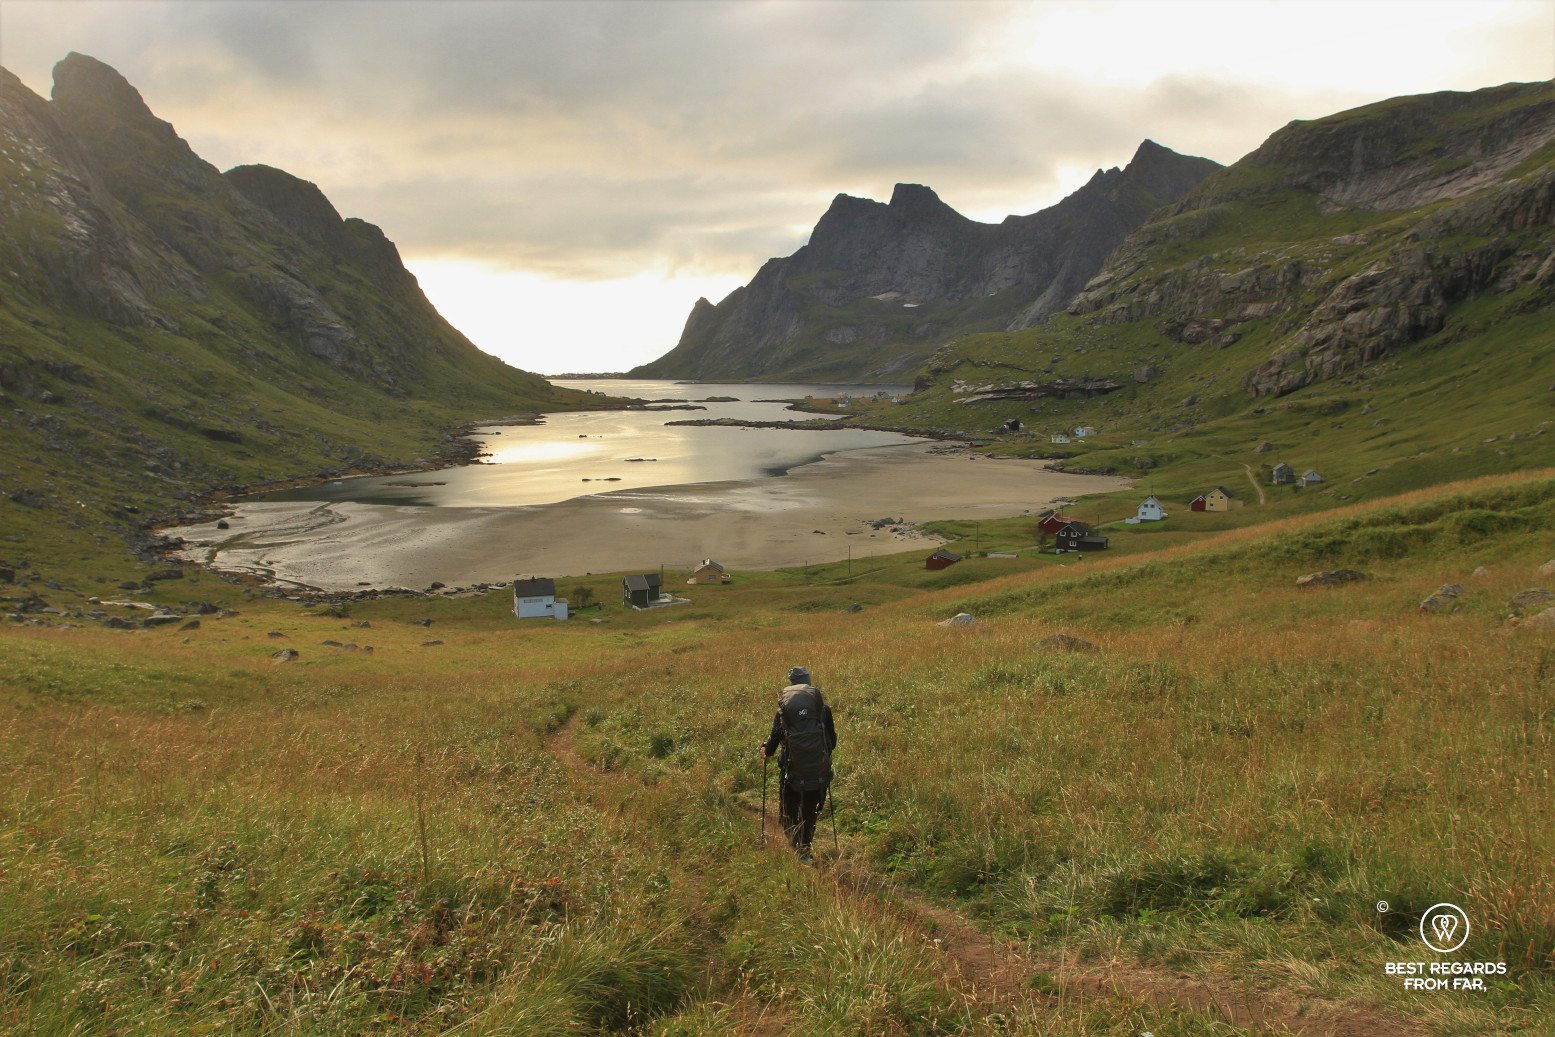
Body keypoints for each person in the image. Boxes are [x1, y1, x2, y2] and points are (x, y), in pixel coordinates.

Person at [759, 665, 836, 862]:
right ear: (809, 683)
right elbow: (832, 742)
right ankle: (805, 849)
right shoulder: (823, 710)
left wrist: (765, 752)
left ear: (791, 685)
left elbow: (774, 740)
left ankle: (795, 847)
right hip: (817, 772)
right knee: (810, 812)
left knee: (788, 812)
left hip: (791, 773)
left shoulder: (783, 713)